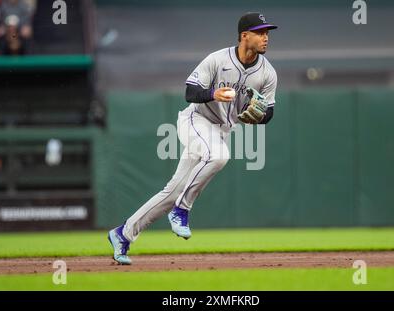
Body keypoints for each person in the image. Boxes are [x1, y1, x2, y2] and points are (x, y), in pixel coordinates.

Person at [108, 12, 278, 265]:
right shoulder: (218, 59)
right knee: (219, 156)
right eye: (260, 33)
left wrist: (259, 117)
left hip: (221, 130)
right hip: (196, 120)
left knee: (172, 191)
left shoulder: (268, 73)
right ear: (245, 36)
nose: (266, 38)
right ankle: (182, 209)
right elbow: (190, 91)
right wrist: (213, 93)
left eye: (267, 33)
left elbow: (269, 112)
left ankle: (123, 233)